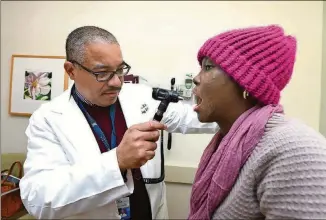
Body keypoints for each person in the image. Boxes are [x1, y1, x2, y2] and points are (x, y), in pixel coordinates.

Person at [19, 26, 218, 220]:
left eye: (120, 69)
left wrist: (241, 112)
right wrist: (117, 162)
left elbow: (193, 117)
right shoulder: (48, 119)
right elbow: (38, 200)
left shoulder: (140, 96)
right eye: (102, 72)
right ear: (71, 70)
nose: (117, 82)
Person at [188, 24, 326, 220]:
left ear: (246, 82)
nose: (195, 78)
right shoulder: (229, 142)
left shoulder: (293, 150)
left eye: (208, 67)